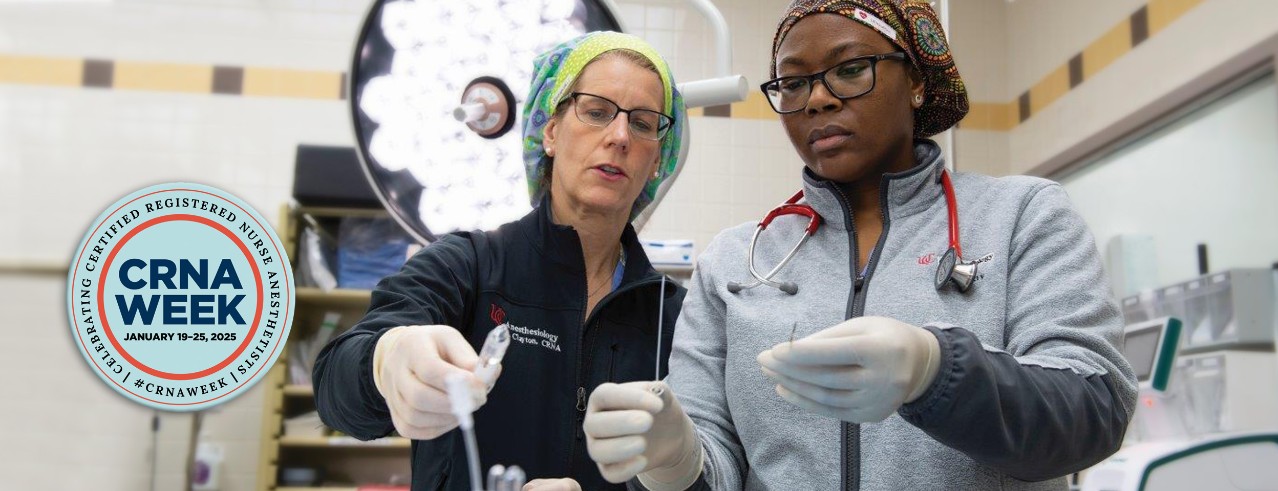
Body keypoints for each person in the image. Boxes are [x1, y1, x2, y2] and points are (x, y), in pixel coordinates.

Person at [581, 1, 1137, 490]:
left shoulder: (1021, 217)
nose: (816, 100)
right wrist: (678, 464)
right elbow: (716, 462)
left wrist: (935, 370)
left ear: (916, 81)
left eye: (850, 71)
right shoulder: (734, 262)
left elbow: (1094, 411)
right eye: (793, 84)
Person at [313, 31, 688, 491]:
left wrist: (682, 465)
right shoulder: (467, 266)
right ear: (550, 131)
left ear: (657, 161)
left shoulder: (677, 317)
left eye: (644, 123)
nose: (619, 136)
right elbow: (335, 389)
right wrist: (382, 362)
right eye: (596, 112)